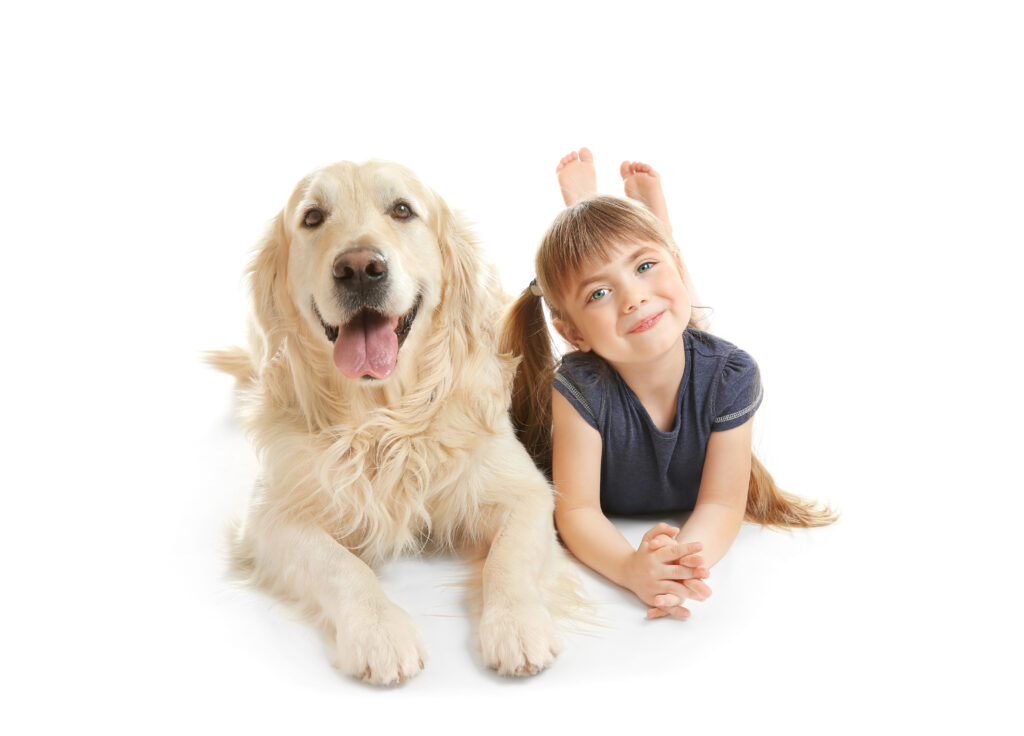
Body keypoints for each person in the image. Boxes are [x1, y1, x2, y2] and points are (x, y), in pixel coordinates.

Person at [501, 148, 836, 621]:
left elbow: (721, 502)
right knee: (659, 314)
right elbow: (576, 513)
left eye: (643, 267)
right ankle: (597, 218)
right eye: (599, 292)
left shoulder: (731, 375)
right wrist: (630, 566)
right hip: (613, 352)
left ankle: (635, 225)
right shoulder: (578, 387)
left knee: (685, 321)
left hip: (685, 341)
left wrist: (679, 561)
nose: (634, 297)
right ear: (571, 334)